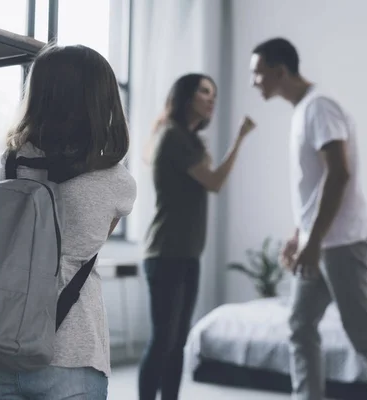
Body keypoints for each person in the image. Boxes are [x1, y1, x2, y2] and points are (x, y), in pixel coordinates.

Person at [0, 44, 137, 400]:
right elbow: (91, 241)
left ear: (39, 94)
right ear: (102, 100)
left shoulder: (10, 165)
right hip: (73, 356)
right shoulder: (117, 181)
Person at [250, 38, 367, 400]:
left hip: (341, 243)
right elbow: (316, 184)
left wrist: (313, 240)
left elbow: (339, 174)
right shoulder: (303, 109)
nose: (253, 82)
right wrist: (299, 234)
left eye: (257, 73)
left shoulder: (319, 107)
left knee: (365, 337)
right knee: (300, 327)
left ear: (280, 70)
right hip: (318, 241)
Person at [139, 73, 255, 400]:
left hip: (187, 254)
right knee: (164, 340)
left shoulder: (189, 141)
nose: (212, 99)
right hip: (165, 253)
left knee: (177, 342)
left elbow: (208, 177)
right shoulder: (173, 136)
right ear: (187, 96)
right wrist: (240, 138)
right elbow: (215, 182)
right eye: (205, 92)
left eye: (214, 94)